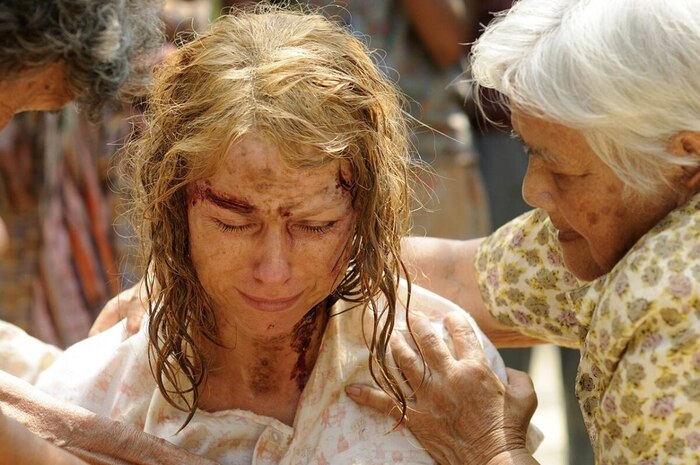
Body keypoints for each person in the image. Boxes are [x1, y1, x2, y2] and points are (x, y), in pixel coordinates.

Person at [1, 6, 528, 463]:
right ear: (174, 208)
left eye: (316, 225)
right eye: (232, 222)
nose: (273, 271)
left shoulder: (450, 385)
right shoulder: (93, 395)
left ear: (367, 213)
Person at [344, 0, 700, 464]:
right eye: (532, 152)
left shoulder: (677, 303)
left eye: (564, 171)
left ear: (686, 157)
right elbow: (455, 278)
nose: (531, 190)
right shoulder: (643, 204)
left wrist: (489, 445)